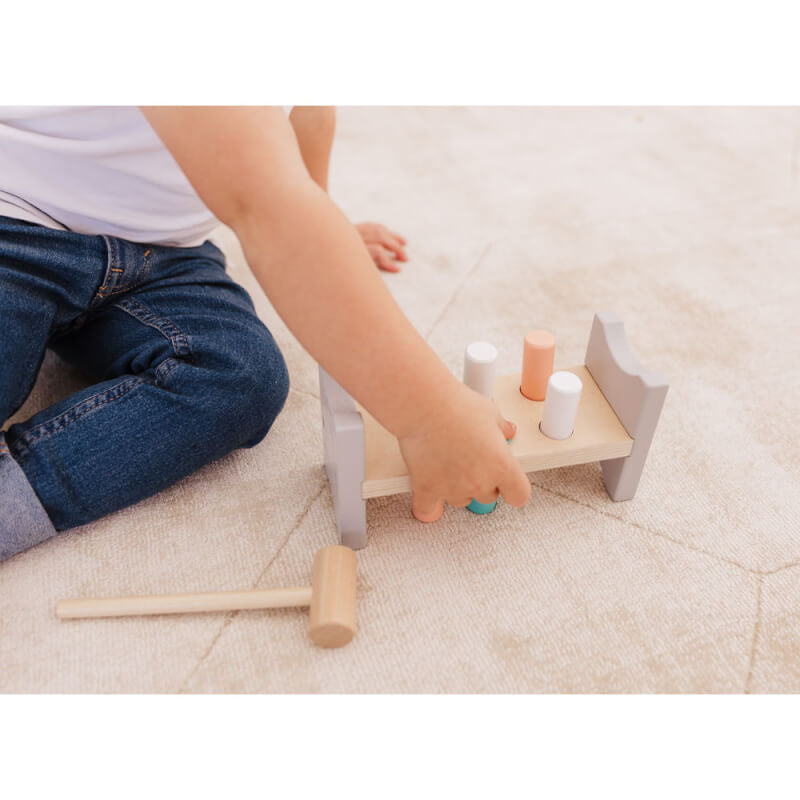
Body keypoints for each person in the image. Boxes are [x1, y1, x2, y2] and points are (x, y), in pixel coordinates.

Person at [0, 106, 530, 562]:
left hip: (162, 255)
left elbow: (306, 116)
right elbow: (266, 208)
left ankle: (16, 498)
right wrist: (431, 415)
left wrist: (325, 226)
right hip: (15, 229)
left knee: (240, 374)